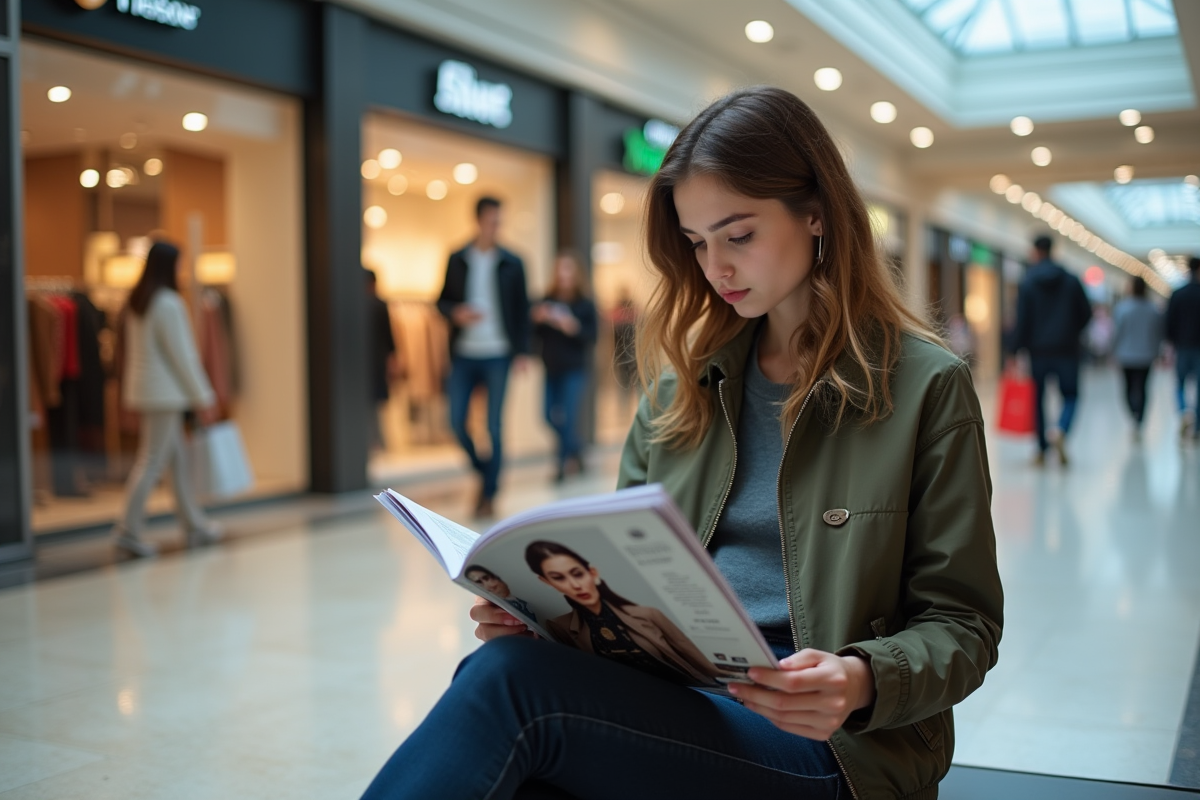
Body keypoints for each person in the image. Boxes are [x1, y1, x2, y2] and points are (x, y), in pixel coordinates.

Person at [361, 86, 1002, 800]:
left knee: (512, 692)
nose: (715, 267)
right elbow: (622, 575)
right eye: (697, 243)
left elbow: (964, 624)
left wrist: (861, 679)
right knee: (516, 726)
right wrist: (552, 621)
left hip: (832, 743)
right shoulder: (680, 391)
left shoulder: (924, 386)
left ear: (816, 213)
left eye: (738, 235)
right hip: (686, 697)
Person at [112, 241, 221, 558]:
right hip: (164, 394)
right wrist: (203, 396)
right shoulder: (168, 303)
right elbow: (183, 356)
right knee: (152, 461)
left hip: (148, 391)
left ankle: (194, 524)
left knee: (175, 461)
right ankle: (128, 531)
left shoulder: (140, 302)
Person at [437, 197, 531, 518]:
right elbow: (441, 302)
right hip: (464, 354)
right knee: (455, 422)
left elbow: (522, 310)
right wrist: (456, 313)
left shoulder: (513, 262)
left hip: (498, 354)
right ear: (478, 220)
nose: (496, 226)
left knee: (494, 425)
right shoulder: (458, 258)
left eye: (499, 221)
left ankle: (489, 494)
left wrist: (522, 352)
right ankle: (486, 473)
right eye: (492, 220)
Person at [524, 540, 724, 686]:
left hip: (689, 695)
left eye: (578, 574)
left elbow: (697, 660)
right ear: (547, 582)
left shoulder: (648, 615)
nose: (575, 585)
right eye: (559, 578)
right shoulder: (560, 626)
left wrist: (733, 680)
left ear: (592, 573)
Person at [1014, 235, 1092, 465]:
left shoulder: (1028, 282)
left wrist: (1015, 349)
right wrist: (1071, 331)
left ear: (1035, 252)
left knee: (1037, 398)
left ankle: (1041, 448)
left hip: (1038, 351)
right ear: (1052, 250)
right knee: (1070, 395)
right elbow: (1086, 313)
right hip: (1067, 350)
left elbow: (1022, 320)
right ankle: (1061, 429)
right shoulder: (1071, 280)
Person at [532, 252, 597, 481]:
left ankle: (561, 465)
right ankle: (577, 449)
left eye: (568, 270)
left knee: (568, 418)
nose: (563, 275)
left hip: (574, 369)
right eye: (560, 270)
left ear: (575, 274)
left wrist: (573, 327)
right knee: (547, 416)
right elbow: (535, 335)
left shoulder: (585, 304)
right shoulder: (546, 300)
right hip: (551, 368)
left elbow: (592, 337)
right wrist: (537, 320)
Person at [1112, 277, 1163, 439]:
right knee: (1142, 388)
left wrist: (1113, 351)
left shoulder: (1122, 308)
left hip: (1126, 355)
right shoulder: (1153, 309)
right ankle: (1139, 418)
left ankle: (1134, 415)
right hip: (1146, 355)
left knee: (1128, 388)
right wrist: (1157, 351)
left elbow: (1116, 332)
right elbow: (1158, 333)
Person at [365, 269, 399, 454]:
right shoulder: (377, 304)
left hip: (372, 362)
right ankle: (378, 443)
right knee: (374, 406)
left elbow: (388, 337)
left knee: (371, 406)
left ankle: (376, 443)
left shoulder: (372, 305)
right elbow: (389, 337)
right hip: (376, 362)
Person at [1166, 256, 1200, 439]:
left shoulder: (1178, 294)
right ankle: (1197, 425)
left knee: (1180, 383)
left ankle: (1184, 411)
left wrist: (1171, 341)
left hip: (1182, 345)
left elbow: (1169, 321)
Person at [464, 565, 536, 622]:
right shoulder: (500, 608)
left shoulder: (524, 594)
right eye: (479, 583)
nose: (488, 586)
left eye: (486, 578)